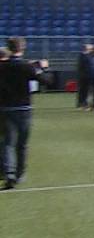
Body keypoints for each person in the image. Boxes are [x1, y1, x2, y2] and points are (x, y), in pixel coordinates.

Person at [0, 37, 53, 190]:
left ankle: (9, 173)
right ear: (22, 48)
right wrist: (44, 68)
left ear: (9, 48)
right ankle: (19, 173)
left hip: (6, 108)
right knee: (22, 144)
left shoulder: (2, 67)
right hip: (23, 109)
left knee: (8, 143)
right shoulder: (27, 67)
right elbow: (47, 81)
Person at [75, 43, 93, 109]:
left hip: (85, 76)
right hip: (84, 76)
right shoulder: (83, 56)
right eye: (90, 49)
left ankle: (82, 103)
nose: (91, 50)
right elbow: (83, 67)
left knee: (84, 90)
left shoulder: (86, 56)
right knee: (83, 90)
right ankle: (82, 103)